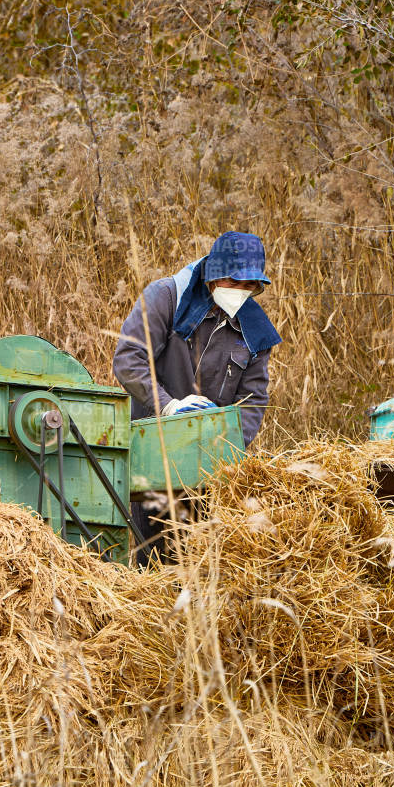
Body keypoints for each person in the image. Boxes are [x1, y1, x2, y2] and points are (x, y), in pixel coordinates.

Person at [113, 231, 280, 561]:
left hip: (209, 462)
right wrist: (168, 405)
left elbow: (253, 399)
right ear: (213, 274)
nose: (241, 291)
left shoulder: (256, 330)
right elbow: (129, 359)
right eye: (234, 281)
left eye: (250, 285)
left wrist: (227, 448)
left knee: (203, 559)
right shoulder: (167, 297)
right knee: (153, 553)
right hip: (153, 447)